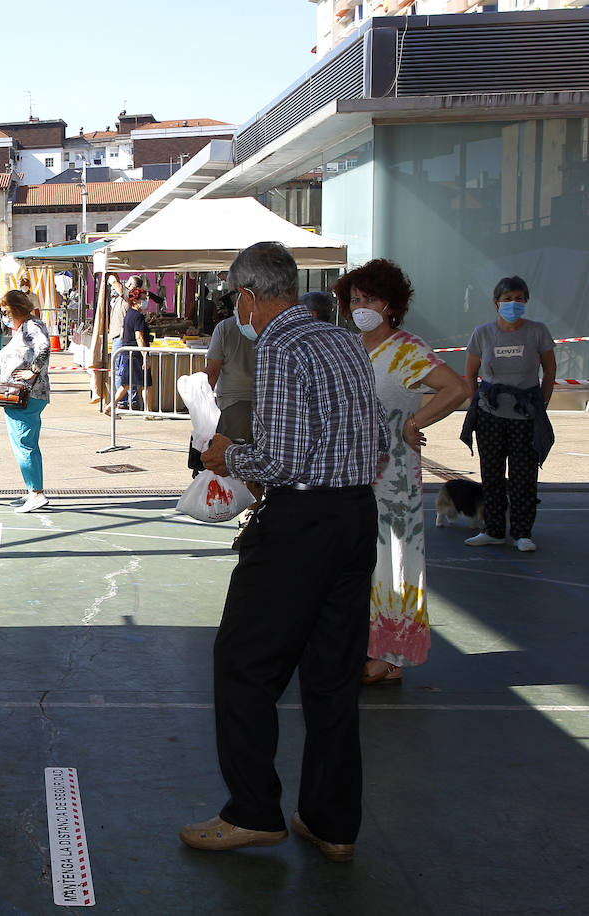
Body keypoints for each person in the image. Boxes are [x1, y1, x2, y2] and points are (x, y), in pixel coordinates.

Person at [186, 241, 388, 862]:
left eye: (236, 299)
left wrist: (225, 456)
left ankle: (253, 811)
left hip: (301, 521)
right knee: (331, 676)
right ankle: (331, 822)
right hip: (356, 516)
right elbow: (377, 436)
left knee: (242, 661)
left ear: (248, 295)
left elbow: (282, 459)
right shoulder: (344, 341)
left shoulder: (279, 344)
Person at [335, 260, 469, 686]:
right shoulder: (350, 345)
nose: (360, 307)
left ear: (391, 303)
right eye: (354, 299)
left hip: (394, 479)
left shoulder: (407, 348)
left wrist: (415, 423)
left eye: (369, 298)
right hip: (353, 475)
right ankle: (366, 646)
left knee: (393, 561)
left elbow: (458, 388)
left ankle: (389, 657)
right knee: (358, 564)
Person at [460, 276, 556, 553]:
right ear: (496, 303)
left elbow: (550, 370)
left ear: (526, 301)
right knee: (491, 474)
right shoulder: (482, 333)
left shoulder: (538, 332)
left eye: (519, 298)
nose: (513, 303)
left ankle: (522, 532)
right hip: (490, 415)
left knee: (524, 476)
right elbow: (470, 373)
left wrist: (543, 402)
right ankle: (492, 530)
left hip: (525, 416)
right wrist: (474, 401)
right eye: (507, 299)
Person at [204, 309, 263, 543]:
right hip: (266, 404)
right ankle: (255, 512)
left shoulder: (225, 329)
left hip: (233, 405)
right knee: (258, 464)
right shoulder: (267, 325)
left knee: (236, 462)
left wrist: (204, 410)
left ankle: (247, 516)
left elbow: (213, 371)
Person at [0, 290, 52, 513]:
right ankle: (32, 489)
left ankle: (36, 493)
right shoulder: (28, 327)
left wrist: (33, 371)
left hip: (25, 395)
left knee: (24, 444)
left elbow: (44, 347)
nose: (4, 316)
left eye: (5, 312)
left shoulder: (31, 327)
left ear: (14, 310)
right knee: (26, 443)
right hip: (22, 395)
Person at [107, 287, 151, 414]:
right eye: (143, 299)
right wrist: (145, 355)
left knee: (126, 384)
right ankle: (149, 412)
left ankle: (110, 406)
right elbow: (139, 336)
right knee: (146, 384)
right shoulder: (138, 317)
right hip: (136, 354)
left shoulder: (129, 314)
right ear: (135, 301)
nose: (145, 301)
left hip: (128, 353)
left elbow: (122, 334)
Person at [105, 279, 132, 409]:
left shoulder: (128, 295)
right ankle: (128, 400)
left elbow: (120, 289)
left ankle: (121, 401)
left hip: (121, 339)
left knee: (119, 372)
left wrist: (112, 278)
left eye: (129, 283)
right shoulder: (123, 297)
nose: (126, 284)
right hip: (117, 337)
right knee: (122, 371)